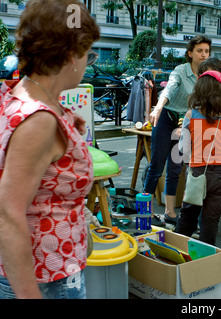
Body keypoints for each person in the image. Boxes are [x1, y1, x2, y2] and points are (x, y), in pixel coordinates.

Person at [0, 0, 100, 299]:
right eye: (88, 54)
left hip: (50, 269)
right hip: (46, 279)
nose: (87, 62)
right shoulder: (39, 121)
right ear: (71, 54)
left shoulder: (21, 97)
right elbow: (7, 213)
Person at [143, 35, 211, 226]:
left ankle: (170, 212)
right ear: (190, 53)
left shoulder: (206, 76)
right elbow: (169, 89)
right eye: (200, 51)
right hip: (166, 117)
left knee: (175, 168)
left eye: (206, 51)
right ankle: (144, 211)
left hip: (185, 123)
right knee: (156, 166)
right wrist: (157, 108)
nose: (204, 55)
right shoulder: (180, 71)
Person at [175, 71, 221, 245]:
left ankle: (174, 255)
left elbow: (183, 149)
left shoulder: (190, 116)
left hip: (197, 172)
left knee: (187, 217)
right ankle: (205, 262)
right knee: (210, 220)